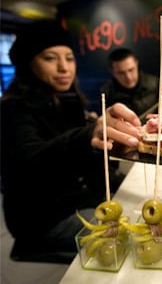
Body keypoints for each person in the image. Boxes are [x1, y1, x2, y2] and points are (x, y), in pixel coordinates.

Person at [0, 20, 142, 263]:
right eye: (50, 58)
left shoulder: (70, 102)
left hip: (80, 197)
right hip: (43, 218)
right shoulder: (13, 109)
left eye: (69, 57)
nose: (64, 67)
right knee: (137, 241)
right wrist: (87, 136)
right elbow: (32, 160)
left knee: (144, 209)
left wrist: (109, 151)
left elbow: (84, 165)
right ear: (28, 63)